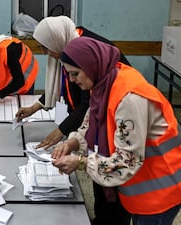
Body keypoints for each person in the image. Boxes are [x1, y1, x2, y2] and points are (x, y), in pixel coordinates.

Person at [52, 36, 181, 225]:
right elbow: (93, 123)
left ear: (90, 65)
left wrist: (81, 162)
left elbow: (125, 162)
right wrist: (73, 142)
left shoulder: (129, 98)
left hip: (160, 192)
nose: (71, 80)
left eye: (75, 74)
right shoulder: (103, 82)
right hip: (142, 187)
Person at [16, 16, 131, 149]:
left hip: (114, 116)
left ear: (55, 40)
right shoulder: (66, 43)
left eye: (45, 48)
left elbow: (87, 103)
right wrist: (34, 108)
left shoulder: (84, 52)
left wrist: (61, 131)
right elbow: (61, 84)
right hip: (92, 118)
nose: (44, 53)